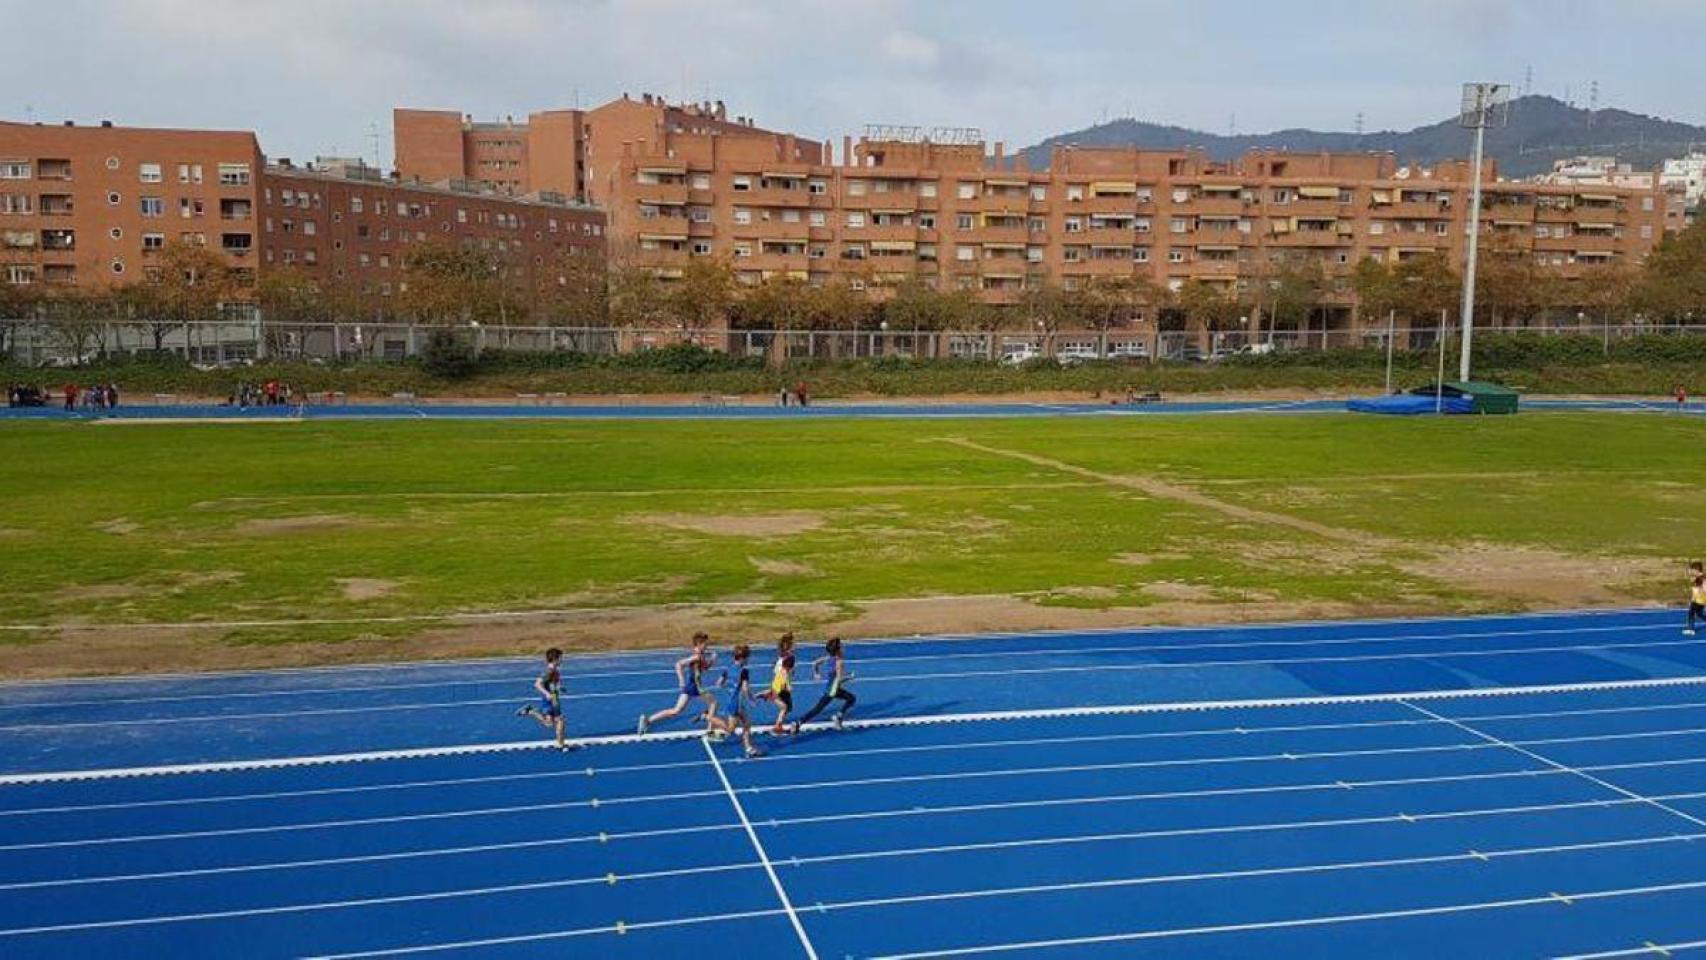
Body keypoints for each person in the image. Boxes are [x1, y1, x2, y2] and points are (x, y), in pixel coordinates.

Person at [638, 632, 717, 734]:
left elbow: (704, 668)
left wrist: (712, 660)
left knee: (676, 710)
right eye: (705, 643)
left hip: (691, 686)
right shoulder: (696, 656)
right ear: (699, 644)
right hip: (696, 687)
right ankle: (710, 730)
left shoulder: (700, 655)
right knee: (713, 703)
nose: (707, 646)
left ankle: (648, 720)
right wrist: (681, 680)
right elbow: (679, 664)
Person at [708, 644, 763, 758]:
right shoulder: (744, 671)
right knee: (730, 729)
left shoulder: (728, 668)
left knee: (747, 724)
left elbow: (719, 683)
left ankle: (748, 748)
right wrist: (752, 700)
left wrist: (730, 689)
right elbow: (745, 689)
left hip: (733, 700)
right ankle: (707, 717)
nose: (748, 660)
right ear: (742, 658)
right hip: (736, 703)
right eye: (747, 658)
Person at [792, 636, 857, 733]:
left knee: (851, 698)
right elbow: (839, 680)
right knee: (818, 709)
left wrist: (816, 673)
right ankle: (798, 723)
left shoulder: (829, 658)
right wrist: (849, 677)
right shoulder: (839, 662)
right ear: (838, 650)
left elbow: (815, 663)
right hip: (832, 690)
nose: (843, 648)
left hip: (833, 688)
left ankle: (838, 717)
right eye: (841, 647)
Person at [517, 647, 572, 751]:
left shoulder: (556, 671)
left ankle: (531, 711)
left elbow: (553, 684)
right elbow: (537, 684)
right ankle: (560, 745)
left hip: (554, 698)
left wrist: (560, 688)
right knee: (559, 721)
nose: (562, 660)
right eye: (561, 658)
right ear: (555, 659)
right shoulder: (548, 671)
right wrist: (547, 693)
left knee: (552, 723)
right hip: (549, 700)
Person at [762, 633, 797, 735]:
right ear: (790, 646)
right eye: (793, 644)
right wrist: (788, 684)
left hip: (777, 684)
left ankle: (768, 694)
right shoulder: (790, 658)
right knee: (785, 707)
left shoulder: (782, 657)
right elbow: (785, 672)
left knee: (787, 707)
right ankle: (777, 727)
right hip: (782, 686)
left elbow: (777, 669)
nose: (795, 646)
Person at [1688, 561, 1705, 637]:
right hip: (1700, 598)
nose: (1692, 571)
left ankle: (1691, 629)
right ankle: (1691, 628)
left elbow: (1699, 586)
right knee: (1699, 613)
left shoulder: (1701, 578)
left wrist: (1694, 597)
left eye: (1693, 570)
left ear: (1697, 570)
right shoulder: (1699, 576)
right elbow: (1693, 580)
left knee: (1691, 612)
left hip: (1699, 598)